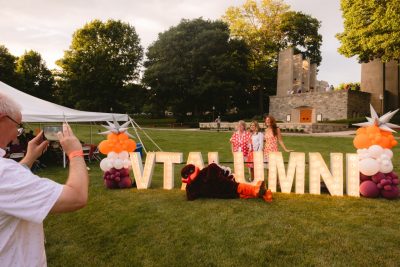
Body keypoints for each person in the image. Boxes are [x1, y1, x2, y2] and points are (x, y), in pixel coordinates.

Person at [0, 92, 89, 266]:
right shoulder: (4, 173)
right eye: (18, 126)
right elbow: (76, 197)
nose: (17, 135)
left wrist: (28, 158)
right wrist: (76, 153)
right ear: (2, 119)